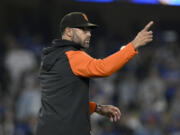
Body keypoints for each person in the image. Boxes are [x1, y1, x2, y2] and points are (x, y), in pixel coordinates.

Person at [36, 12, 153, 135]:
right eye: (84, 30)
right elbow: (103, 68)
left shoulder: (50, 56)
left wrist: (97, 108)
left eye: (89, 30)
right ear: (69, 31)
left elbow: (63, 100)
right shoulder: (72, 56)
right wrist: (133, 45)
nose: (89, 34)